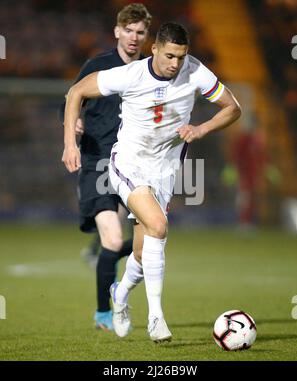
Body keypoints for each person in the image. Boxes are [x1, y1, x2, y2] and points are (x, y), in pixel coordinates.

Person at [62, 22, 241, 342]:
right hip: (128, 164)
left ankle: (119, 295)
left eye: (181, 57)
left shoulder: (195, 71)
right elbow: (76, 91)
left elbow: (232, 107)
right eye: (170, 55)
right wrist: (69, 144)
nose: (176, 64)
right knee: (158, 226)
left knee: (145, 254)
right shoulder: (131, 75)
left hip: (164, 172)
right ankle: (156, 317)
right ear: (155, 49)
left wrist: (201, 129)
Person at [59, 3, 152, 331]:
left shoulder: (150, 72)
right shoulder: (98, 67)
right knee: (113, 241)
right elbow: (69, 101)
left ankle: (106, 265)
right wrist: (73, 134)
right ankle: (103, 313)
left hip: (134, 166)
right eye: (128, 30)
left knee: (152, 237)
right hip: (98, 162)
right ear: (117, 31)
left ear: (145, 37)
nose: (133, 37)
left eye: (140, 32)